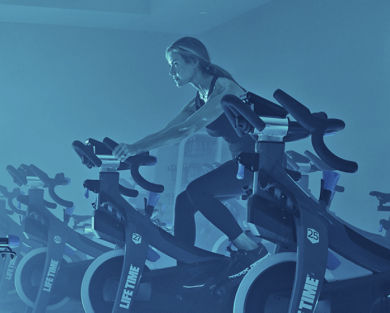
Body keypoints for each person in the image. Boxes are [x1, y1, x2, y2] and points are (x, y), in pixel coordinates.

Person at [113, 37, 267, 276]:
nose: (171, 71)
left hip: (260, 163)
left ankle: (250, 248)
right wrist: (135, 150)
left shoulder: (225, 89)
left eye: (175, 63)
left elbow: (185, 130)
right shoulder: (199, 99)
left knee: (197, 191)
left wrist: (134, 147)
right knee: (184, 201)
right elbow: (169, 131)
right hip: (242, 163)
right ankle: (185, 267)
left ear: (194, 61)